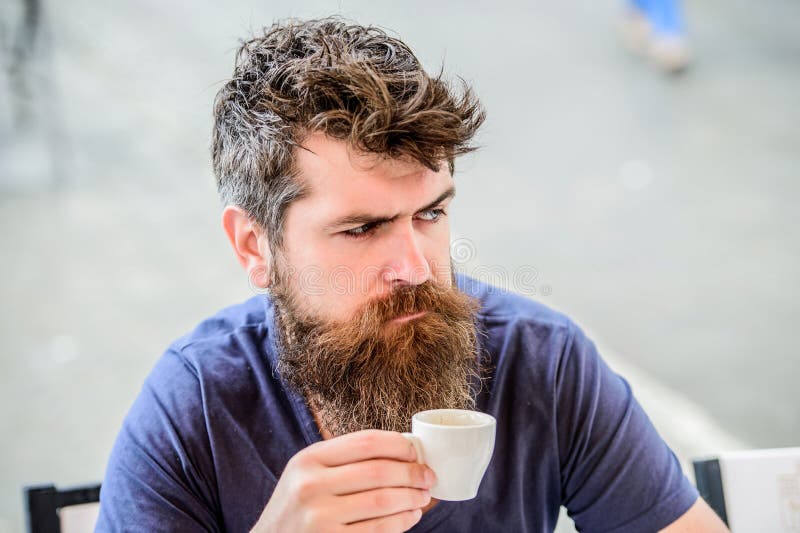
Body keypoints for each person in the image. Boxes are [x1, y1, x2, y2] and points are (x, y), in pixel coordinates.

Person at [96, 17, 727, 532]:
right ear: (255, 245)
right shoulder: (196, 407)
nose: (416, 267)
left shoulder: (540, 361)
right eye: (361, 229)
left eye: (431, 213)